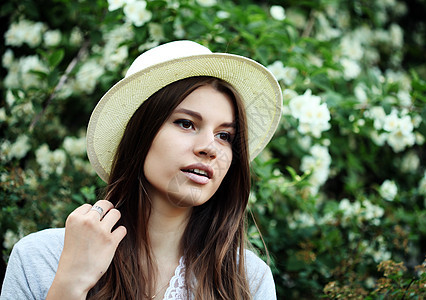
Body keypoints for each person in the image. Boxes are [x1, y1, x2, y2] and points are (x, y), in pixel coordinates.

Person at [1, 40, 282, 300]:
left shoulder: (247, 280)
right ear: (140, 134)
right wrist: (71, 282)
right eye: (186, 123)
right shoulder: (41, 257)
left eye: (225, 136)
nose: (210, 147)